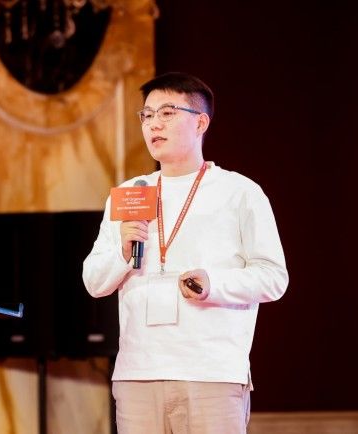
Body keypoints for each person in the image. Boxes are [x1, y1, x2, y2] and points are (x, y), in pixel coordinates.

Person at [82, 72, 288, 434]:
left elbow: (274, 277)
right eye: (147, 115)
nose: (154, 124)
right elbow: (94, 281)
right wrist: (122, 252)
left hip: (210, 373)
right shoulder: (130, 193)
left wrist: (214, 284)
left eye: (167, 113)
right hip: (138, 374)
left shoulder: (239, 192)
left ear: (201, 123)